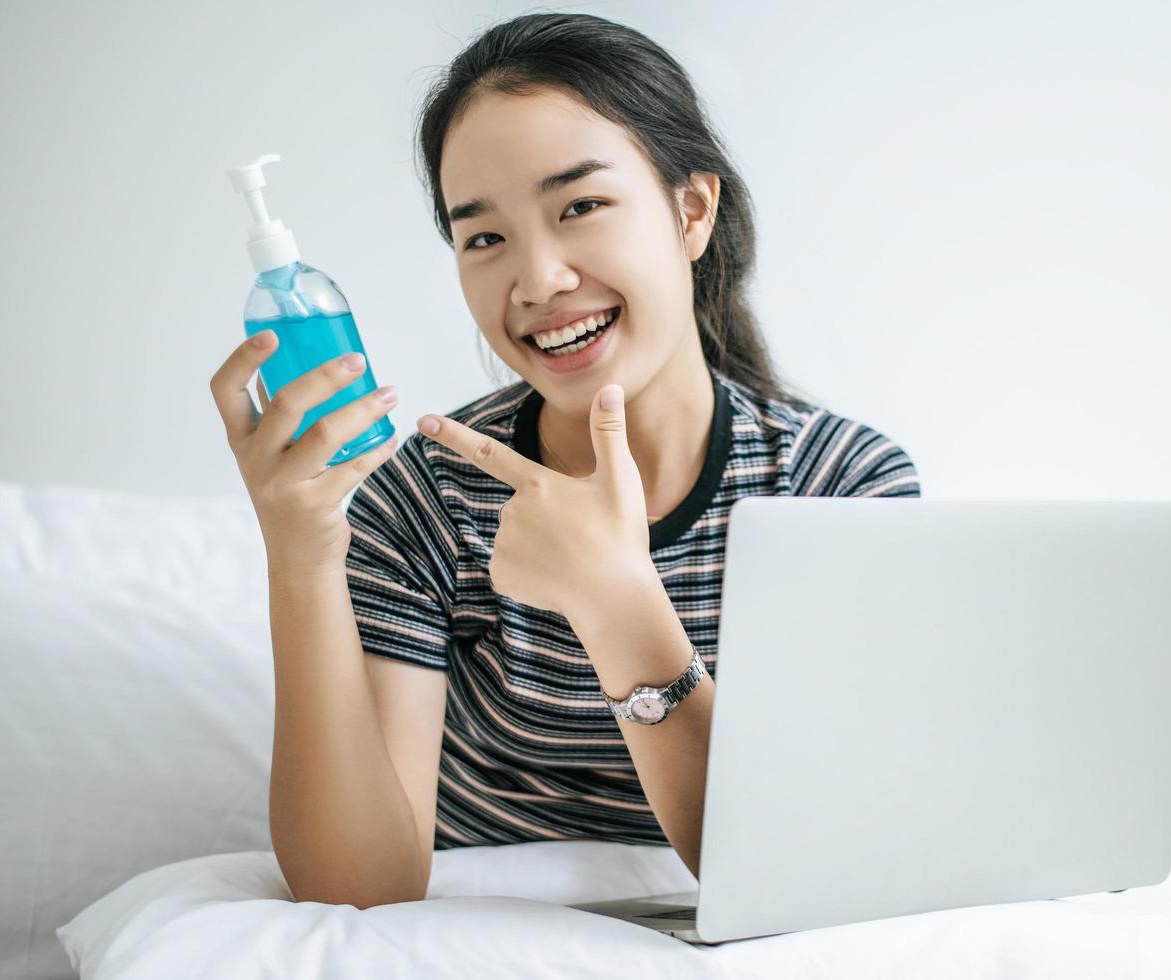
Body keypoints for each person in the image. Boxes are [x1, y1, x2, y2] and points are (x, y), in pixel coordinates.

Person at [211, 12, 919, 910]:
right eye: (484, 236)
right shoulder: (427, 498)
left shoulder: (842, 488)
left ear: (690, 210)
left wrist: (613, 597)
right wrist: (299, 550)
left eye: (579, 206)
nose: (537, 278)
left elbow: (807, 859)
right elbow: (359, 887)